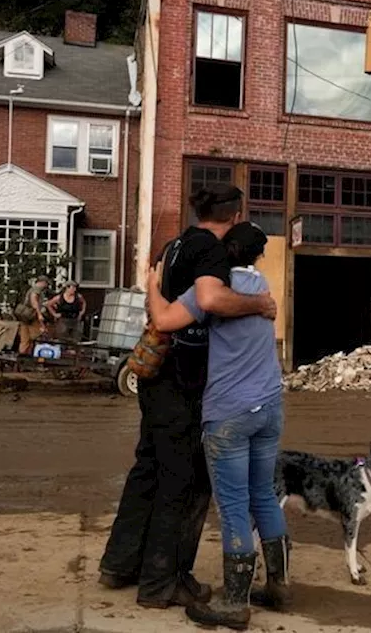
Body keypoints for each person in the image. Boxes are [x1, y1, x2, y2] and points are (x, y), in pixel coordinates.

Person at [98, 184, 277, 609]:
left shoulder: (173, 245)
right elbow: (211, 298)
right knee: (185, 483)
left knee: (148, 471)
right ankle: (164, 582)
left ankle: (120, 564)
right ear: (234, 217)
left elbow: (158, 299)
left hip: (156, 378)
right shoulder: (211, 251)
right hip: (183, 383)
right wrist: (259, 304)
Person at [146, 221, 289, 630]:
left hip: (229, 413)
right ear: (257, 255)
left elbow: (164, 320)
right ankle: (279, 585)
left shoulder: (212, 292)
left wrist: (153, 283)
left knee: (232, 507)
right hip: (269, 407)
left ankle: (235, 602)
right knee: (262, 493)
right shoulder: (264, 289)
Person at [17, 275, 50, 355]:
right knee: (38, 335)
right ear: (43, 282)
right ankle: (35, 355)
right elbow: (34, 301)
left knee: (25, 339)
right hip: (32, 317)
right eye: (46, 283)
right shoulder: (37, 290)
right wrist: (39, 314)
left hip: (24, 317)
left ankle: (22, 356)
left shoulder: (30, 289)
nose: (46, 286)